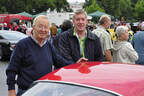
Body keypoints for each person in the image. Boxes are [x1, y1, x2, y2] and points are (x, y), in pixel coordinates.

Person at [6, 15, 81, 96]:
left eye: (46, 27)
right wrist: (11, 90)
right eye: (40, 26)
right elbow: (11, 70)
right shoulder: (22, 45)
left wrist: (76, 65)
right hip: (27, 92)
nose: (43, 30)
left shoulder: (48, 45)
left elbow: (60, 62)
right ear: (33, 27)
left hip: (45, 91)